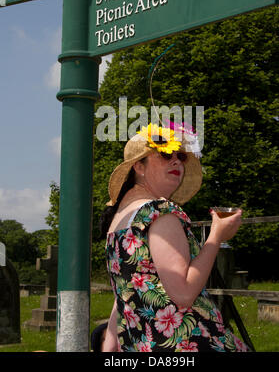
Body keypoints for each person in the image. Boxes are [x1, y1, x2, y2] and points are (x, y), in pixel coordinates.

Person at [100, 123, 249, 352]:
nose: (177, 161)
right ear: (139, 166)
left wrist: (109, 346)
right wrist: (217, 236)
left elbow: (126, 291)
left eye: (181, 156)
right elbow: (183, 293)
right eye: (166, 153)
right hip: (187, 343)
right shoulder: (160, 212)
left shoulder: (119, 220)